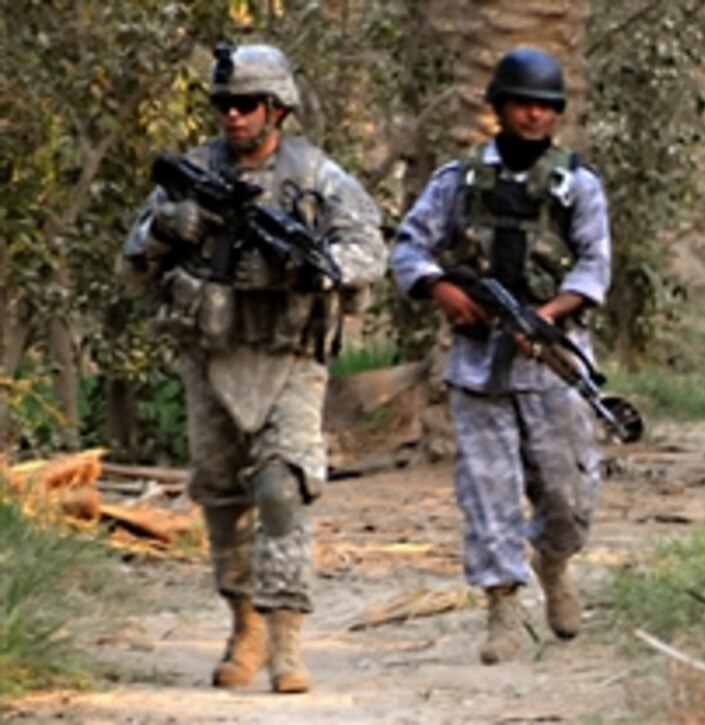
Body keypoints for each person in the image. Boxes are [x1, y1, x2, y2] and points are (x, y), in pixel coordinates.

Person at [119, 43, 387, 693]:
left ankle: (287, 640)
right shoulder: (191, 173)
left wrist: (317, 267)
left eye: (247, 105)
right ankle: (244, 621)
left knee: (281, 486)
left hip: (288, 355)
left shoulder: (317, 176)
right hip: (212, 353)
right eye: (224, 105)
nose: (233, 117)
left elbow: (370, 248)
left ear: (278, 109)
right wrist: (172, 226)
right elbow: (132, 261)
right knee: (220, 492)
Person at [389, 46, 611, 665]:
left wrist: (545, 316)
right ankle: (503, 609)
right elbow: (409, 248)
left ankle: (554, 563)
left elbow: (595, 266)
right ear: (499, 109)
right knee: (488, 490)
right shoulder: (457, 182)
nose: (534, 117)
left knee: (567, 493)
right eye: (523, 104)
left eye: (546, 107)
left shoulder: (579, 185)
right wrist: (442, 287)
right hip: (477, 365)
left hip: (554, 362)